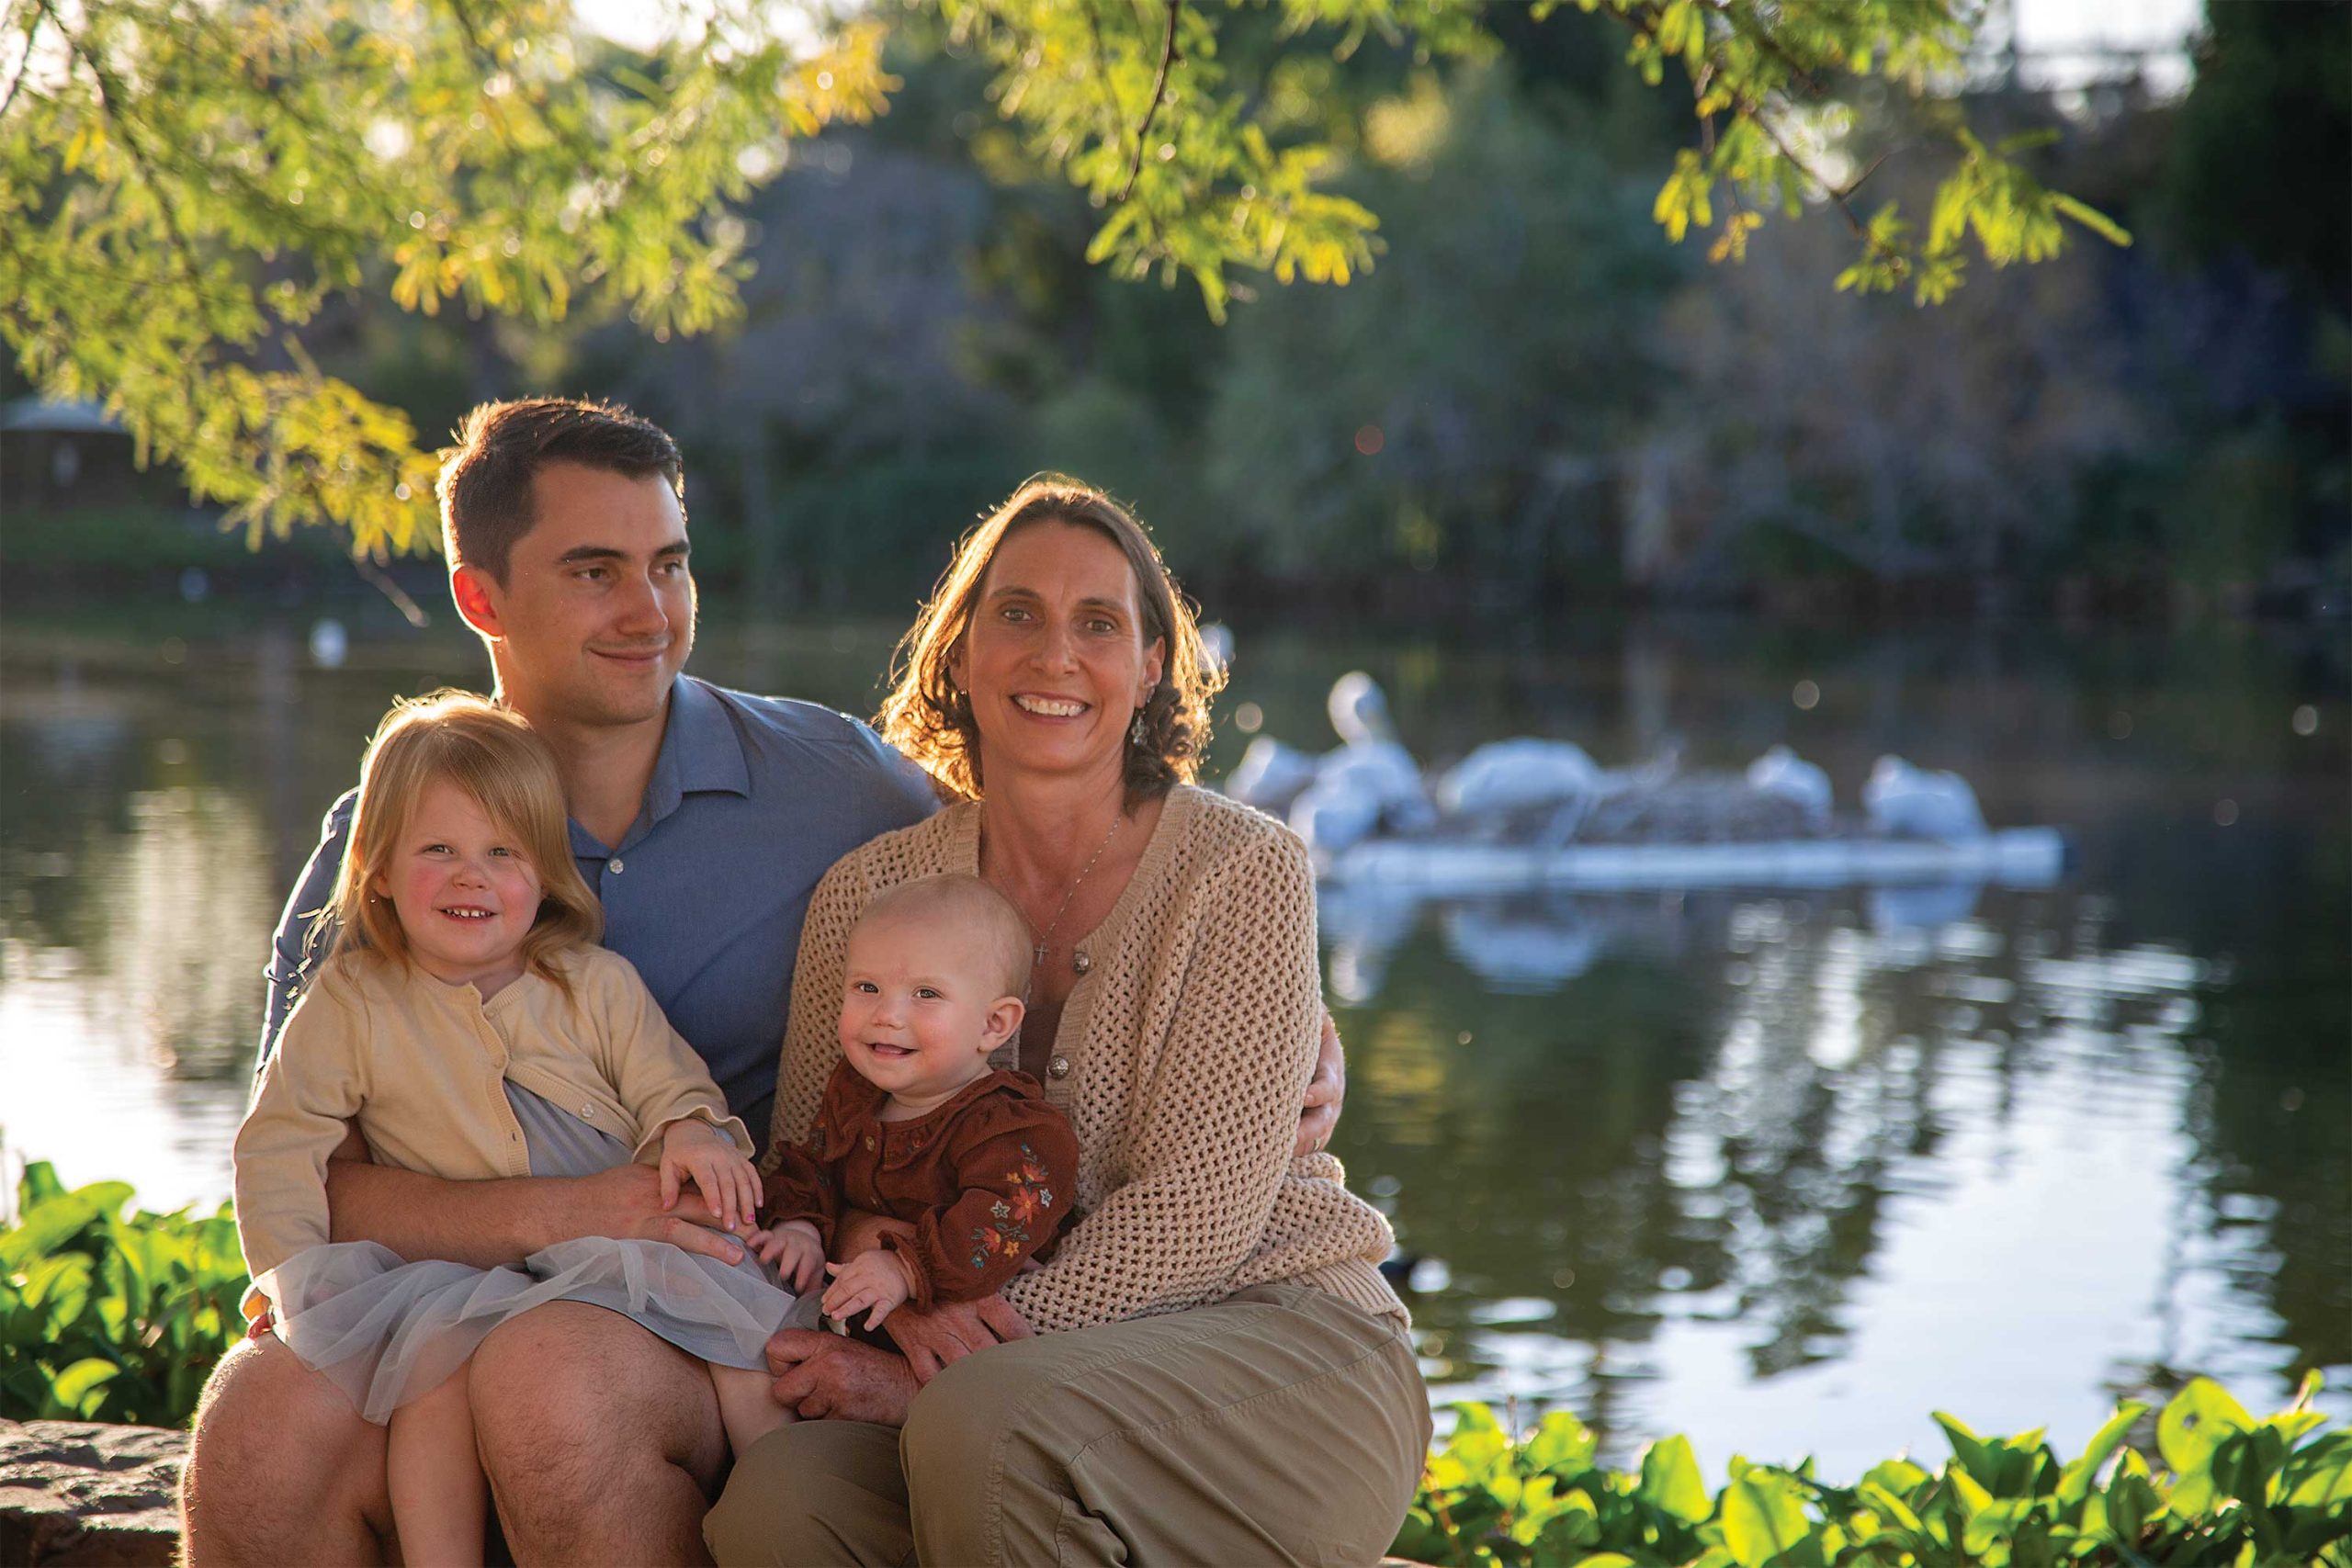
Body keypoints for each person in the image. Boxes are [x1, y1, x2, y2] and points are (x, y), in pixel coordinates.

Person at [181, 400, 1347, 1566]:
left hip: (710, 1304)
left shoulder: (834, 791)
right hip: (456, 1287)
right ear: (481, 597)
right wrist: (580, 1212)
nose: (649, 613)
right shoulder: (384, 848)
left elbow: (1042, 846)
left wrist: (1294, 1015)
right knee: (257, 1431)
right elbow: (311, 1176)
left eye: (670, 566)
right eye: (596, 571)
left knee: (554, 1387)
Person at [705, 478, 1430, 1566]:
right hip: (992, 1375)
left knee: (981, 1426)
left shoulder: (1242, 870)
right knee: (779, 1499)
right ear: (957, 654)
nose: (1055, 654)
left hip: (1275, 1336)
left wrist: (931, 1365)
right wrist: (900, 1309)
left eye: (1099, 623)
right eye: (1016, 614)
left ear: (1149, 669)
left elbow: (1196, 1218)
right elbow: (824, 1159)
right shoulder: (870, 893)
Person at [232, 691, 809, 1565]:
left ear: (543, 872)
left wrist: (691, 1131)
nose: (473, 876)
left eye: (504, 852)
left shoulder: (592, 984)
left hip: (616, 1258)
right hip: (455, 1271)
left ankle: (791, 1519)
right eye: (439, 850)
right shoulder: (351, 1001)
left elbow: (672, 1087)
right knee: (432, 1385)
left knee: (743, 1349)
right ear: (379, 868)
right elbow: (279, 1143)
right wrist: (289, 1277)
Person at [758, 873, 1080, 1332]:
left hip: (982, 1338)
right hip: (853, 1307)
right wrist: (800, 1226)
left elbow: (996, 1226)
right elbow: (816, 1167)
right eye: (867, 988)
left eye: (926, 994)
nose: (886, 1016)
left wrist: (906, 1267)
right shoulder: (855, 1091)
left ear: (993, 1024)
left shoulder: (1014, 1131)